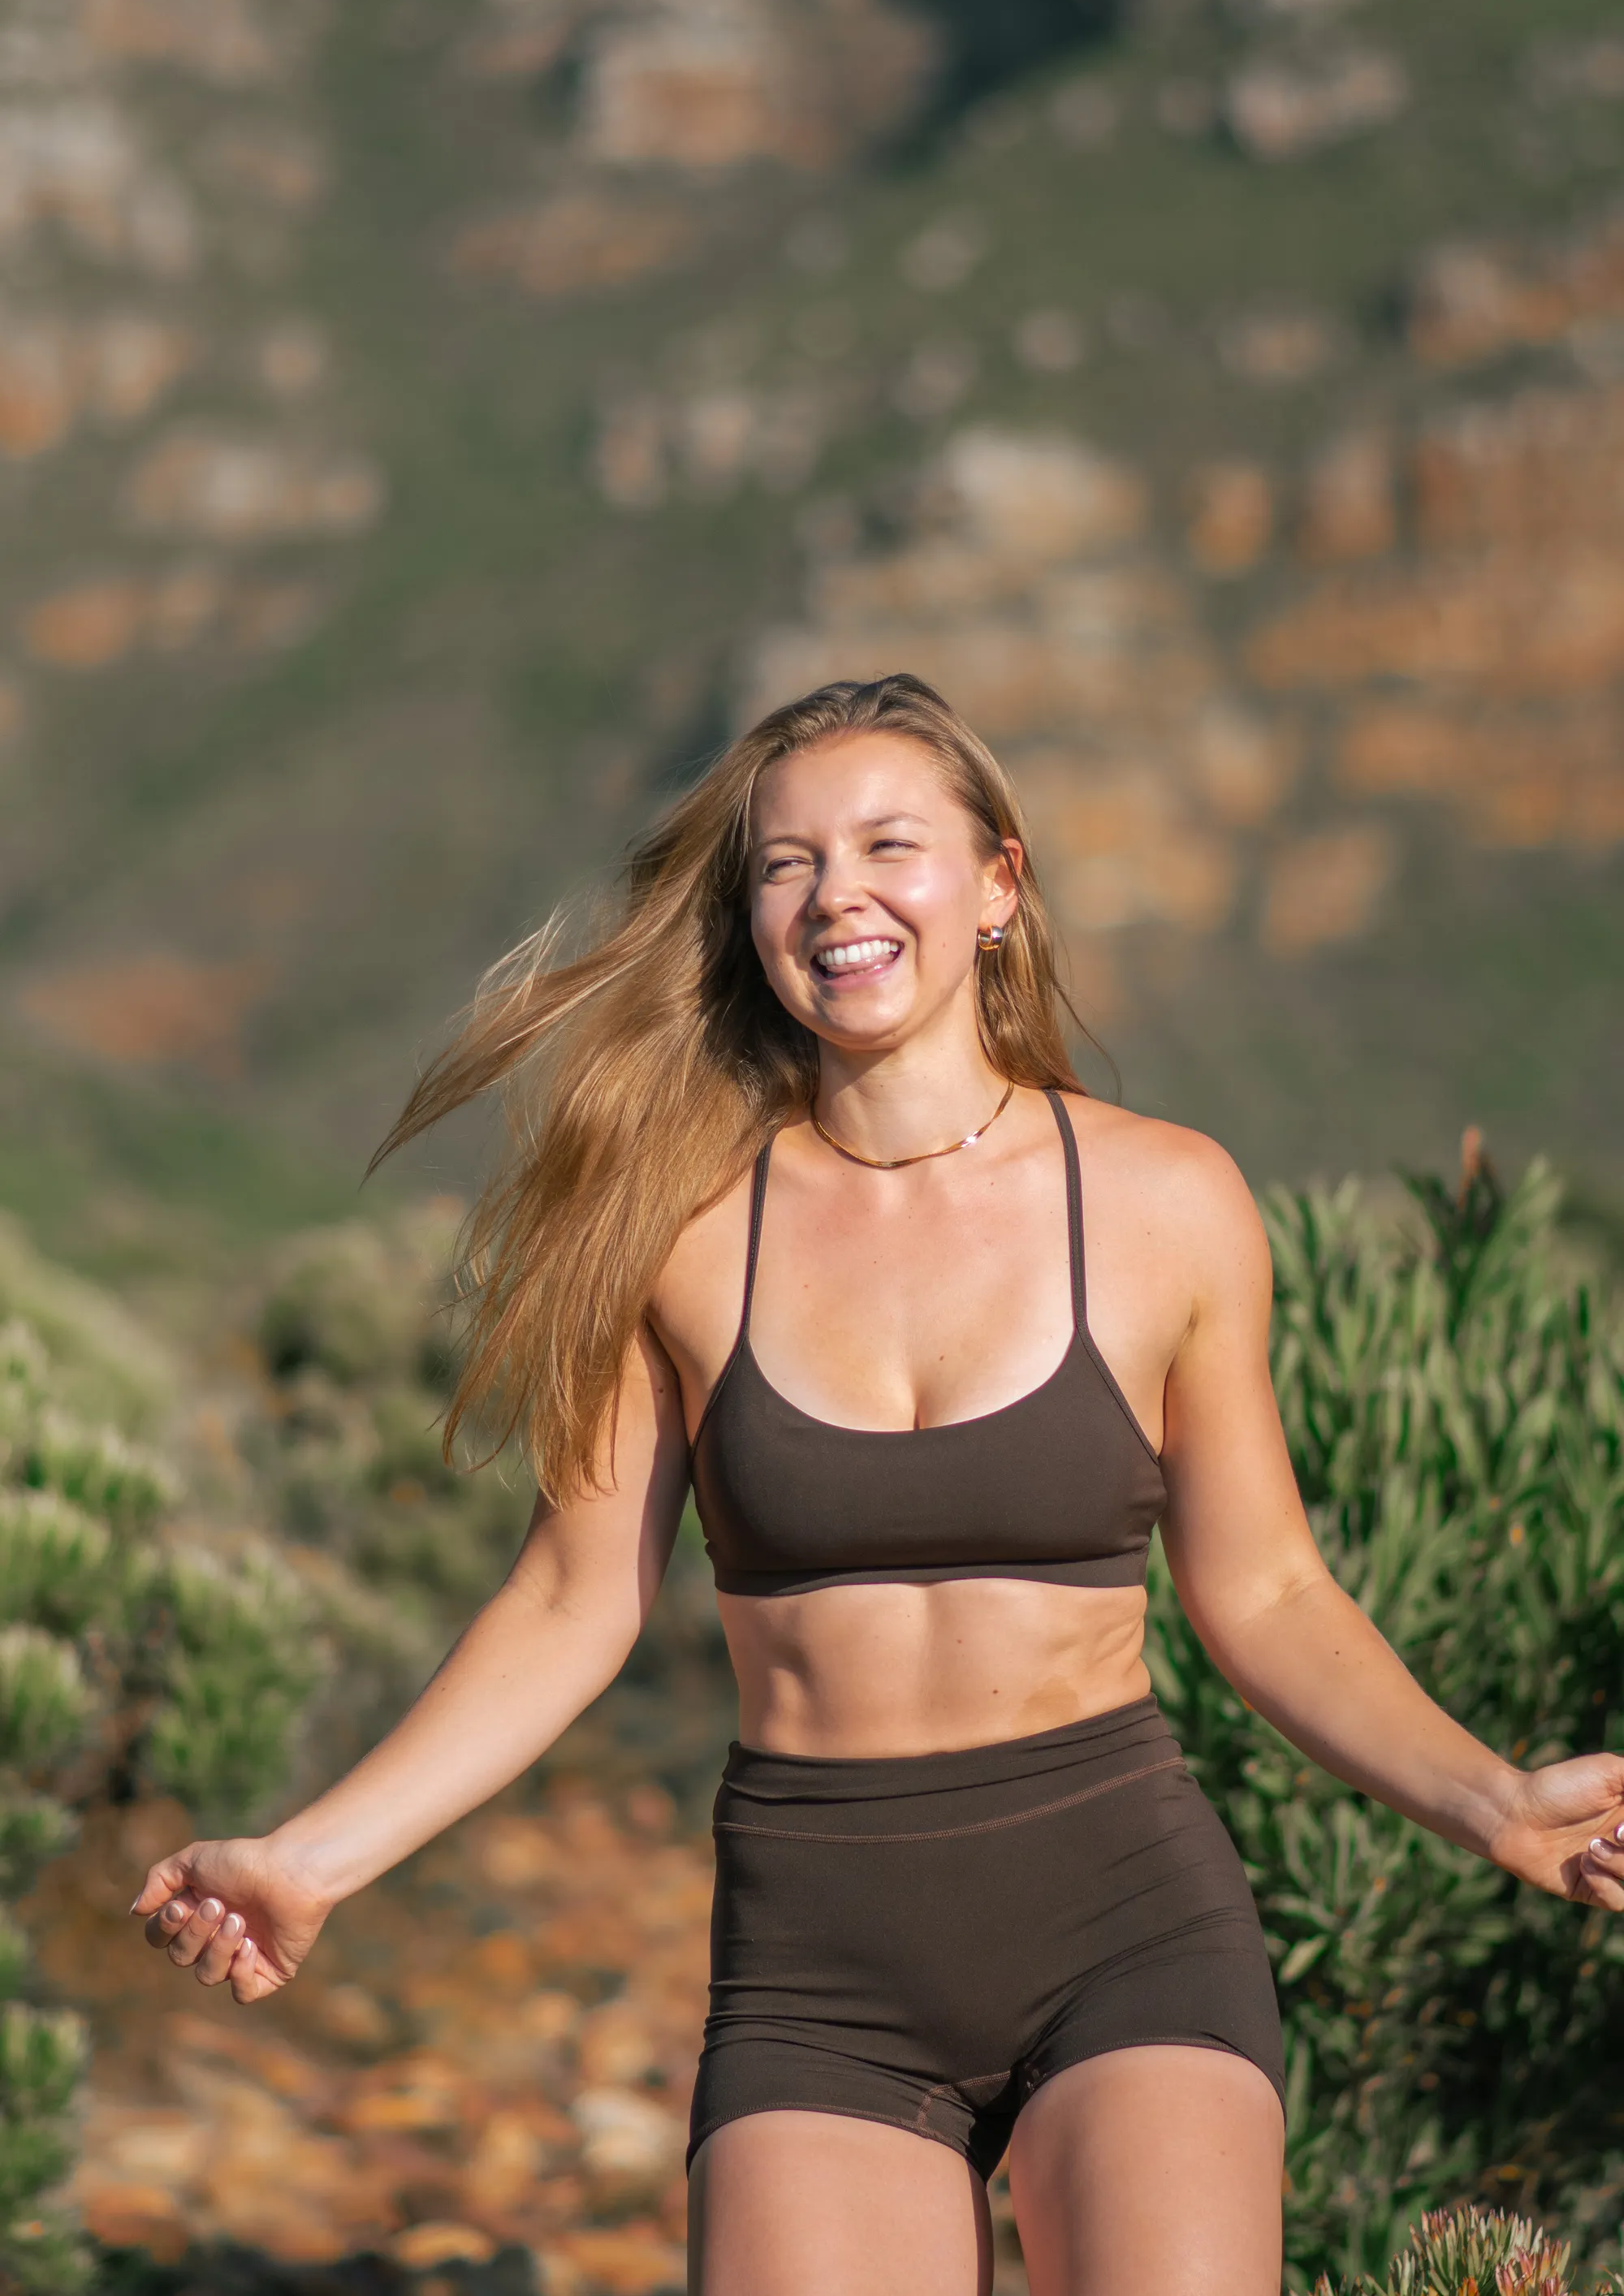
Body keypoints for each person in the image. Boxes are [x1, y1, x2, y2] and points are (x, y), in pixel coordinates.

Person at [132, 676, 1624, 2296]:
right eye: (786, 865)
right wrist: (312, 1860)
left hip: (1122, 1922)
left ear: (997, 885)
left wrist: (1490, 1799)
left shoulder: (1163, 1203)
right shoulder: (679, 1228)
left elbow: (1262, 1590)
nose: (835, 892)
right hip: (817, 1968)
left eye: (887, 846)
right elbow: (570, 1601)